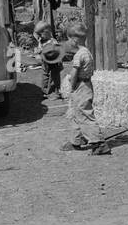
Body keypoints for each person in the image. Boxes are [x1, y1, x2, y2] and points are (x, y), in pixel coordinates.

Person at [63, 21, 96, 149]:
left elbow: (74, 72)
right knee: (76, 113)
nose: (68, 42)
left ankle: (98, 142)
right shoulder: (87, 52)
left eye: (69, 40)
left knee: (85, 114)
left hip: (81, 86)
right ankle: (76, 140)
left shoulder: (79, 55)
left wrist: (71, 86)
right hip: (87, 85)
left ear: (74, 40)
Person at [34, 21, 64, 98]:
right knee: (53, 76)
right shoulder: (51, 41)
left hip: (48, 61)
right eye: (39, 34)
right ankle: (53, 91)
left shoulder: (47, 41)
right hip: (51, 62)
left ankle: (47, 91)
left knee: (47, 75)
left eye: (41, 34)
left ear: (47, 32)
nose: (40, 36)